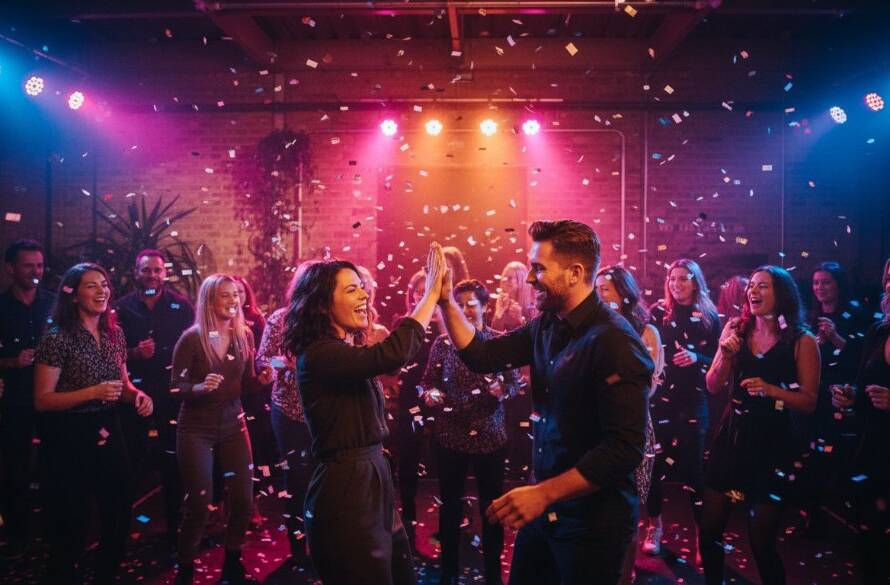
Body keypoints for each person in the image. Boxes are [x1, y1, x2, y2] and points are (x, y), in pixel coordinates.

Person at [437, 220, 653, 585]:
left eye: (539, 268)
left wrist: (543, 494)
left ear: (575, 273)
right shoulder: (547, 324)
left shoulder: (616, 342)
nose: (531, 279)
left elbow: (624, 449)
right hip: (546, 511)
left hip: (592, 523)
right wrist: (444, 300)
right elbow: (482, 355)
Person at [283, 246, 445, 585]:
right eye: (351, 288)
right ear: (322, 303)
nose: (364, 294)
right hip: (347, 485)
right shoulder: (318, 355)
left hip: (373, 476)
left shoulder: (343, 351)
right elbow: (393, 353)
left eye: (363, 286)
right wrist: (431, 292)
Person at [33, 262, 153, 585]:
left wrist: (138, 395)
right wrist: (93, 392)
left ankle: (105, 574)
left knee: (119, 505)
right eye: (91, 285)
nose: (102, 291)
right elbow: (42, 399)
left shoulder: (114, 334)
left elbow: (123, 385)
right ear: (73, 295)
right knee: (74, 517)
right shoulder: (57, 338)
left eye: (104, 284)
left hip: (109, 427)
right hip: (69, 432)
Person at [702, 265, 820, 585]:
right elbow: (713, 385)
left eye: (763, 286)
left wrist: (770, 390)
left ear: (781, 294)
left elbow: (809, 401)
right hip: (732, 436)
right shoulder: (735, 328)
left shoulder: (801, 340)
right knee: (709, 531)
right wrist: (725, 356)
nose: (753, 291)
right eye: (751, 285)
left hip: (773, 443)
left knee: (761, 542)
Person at [419, 278, 524, 585]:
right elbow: (427, 382)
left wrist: (502, 389)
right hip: (450, 436)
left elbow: (516, 383)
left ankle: (493, 573)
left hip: (490, 437)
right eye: (459, 305)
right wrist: (430, 394)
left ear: (485, 307)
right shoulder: (443, 343)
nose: (464, 310)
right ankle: (449, 572)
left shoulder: (497, 341)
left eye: (471, 305)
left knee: (492, 508)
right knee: (449, 506)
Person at [170, 274, 273, 585]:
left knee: (243, 499)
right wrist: (199, 386)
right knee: (200, 502)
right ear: (209, 302)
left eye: (235, 295)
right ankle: (186, 567)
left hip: (233, 423)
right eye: (225, 296)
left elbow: (246, 383)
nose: (233, 301)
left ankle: (232, 561)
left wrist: (262, 380)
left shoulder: (245, 336)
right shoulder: (191, 339)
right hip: (195, 428)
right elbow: (175, 387)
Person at [114, 249, 194, 548]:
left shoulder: (181, 305)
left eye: (157, 271)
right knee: (131, 461)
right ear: (136, 271)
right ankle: (121, 531)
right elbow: (110, 353)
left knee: (173, 463)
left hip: (171, 395)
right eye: (146, 270)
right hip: (133, 395)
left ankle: (175, 529)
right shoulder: (120, 309)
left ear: (165, 273)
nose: (152, 275)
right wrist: (135, 353)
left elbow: (193, 346)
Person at [644, 258, 721, 559]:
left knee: (693, 469)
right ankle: (655, 526)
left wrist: (697, 358)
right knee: (653, 465)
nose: (676, 284)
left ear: (695, 282)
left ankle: (703, 532)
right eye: (672, 279)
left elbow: (719, 361)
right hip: (659, 398)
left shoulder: (711, 317)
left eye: (683, 279)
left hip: (693, 398)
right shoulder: (658, 312)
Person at [595, 265, 665, 585]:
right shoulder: (591, 329)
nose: (598, 295)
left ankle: (624, 577)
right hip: (595, 428)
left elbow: (646, 388)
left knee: (627, 508)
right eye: (595, 289)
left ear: (623, 294)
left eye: (605, 289)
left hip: (632, 428)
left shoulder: (646, 333)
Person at [831, 257, 890, 583]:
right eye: (889, 277)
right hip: (874, 452)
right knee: (871, 547)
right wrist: (851, 394)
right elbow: (862, 380)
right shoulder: (879, 330)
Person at [257, 261, 318, 568]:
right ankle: (298, 551)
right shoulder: (280, 319)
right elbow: (264, 363)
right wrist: (284, 364)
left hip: (325, 414)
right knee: (297, 480)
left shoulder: (333, 321)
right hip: (289, 411)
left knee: (325, 480)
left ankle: (324, 545)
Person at [802, 261, 870, 533]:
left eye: (826, 282)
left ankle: (855, 517)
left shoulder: (858, 316)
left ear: (839, 284)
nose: (820, 287)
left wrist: (836, 339)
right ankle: (813, 515)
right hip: (816, 395)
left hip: (845, 396)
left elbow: (864, 359)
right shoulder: (809, 317)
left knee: (844, 457)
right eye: (816, 282)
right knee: (814, 456)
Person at [0, 240, 55, 558]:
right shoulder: (2, 307)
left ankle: (52, 529)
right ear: (10, 268)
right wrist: (12, 361)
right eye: (28, 265)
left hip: (52, 396)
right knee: (15, 466)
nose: (36, 271)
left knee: (54, 463)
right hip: (17, 398)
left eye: (39, 265)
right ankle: (18, 535)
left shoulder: (52, 304)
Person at [492, 261, 537, 332]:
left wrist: (519, 321)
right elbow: (493, 338)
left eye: (510, 278)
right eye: (504, 277)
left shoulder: (532, 310)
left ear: (521, 281)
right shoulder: (497, 305)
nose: (505, 280)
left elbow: (533, 338)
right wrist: (498, 316)